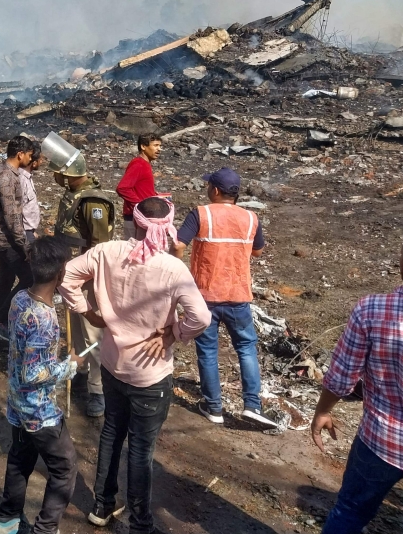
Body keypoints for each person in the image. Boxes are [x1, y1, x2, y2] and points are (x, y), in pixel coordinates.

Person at [59, 196, 210, 533]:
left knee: (112, 433)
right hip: (150, 374)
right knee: (141, 448)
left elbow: (67, 275)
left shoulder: (107, 252)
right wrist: (174, 333)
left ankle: (102, 504)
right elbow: (201, 317)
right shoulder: (173, 268)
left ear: (136, 223)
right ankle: (140, 521)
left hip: (113, 363)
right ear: (167, 227)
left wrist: (87, 311)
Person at [310, 227, 403, 534]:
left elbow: (342, 376)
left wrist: (323, 412)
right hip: (383, 439)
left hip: (382, 440)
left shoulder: (371, 309)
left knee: (350, 513)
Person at [0, 237, 80, 534]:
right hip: (38, 412)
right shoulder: (43, 317)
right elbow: (33, 372)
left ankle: (6, 522)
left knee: (20, 461)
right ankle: (45, 529)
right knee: (64, 468)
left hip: (16, 403)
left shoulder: (21, 299)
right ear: (61, 273)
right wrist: (69, 367)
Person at [173, 167, 274, 428]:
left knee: (207, 352)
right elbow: (258, 252)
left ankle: (213, 406)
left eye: (209, 186)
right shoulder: (251, 218)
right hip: (238, 295)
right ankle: (252, 405)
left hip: (205, 296)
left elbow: (178, 244)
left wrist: (177, 273)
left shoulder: (201, 213)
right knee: (246, 348)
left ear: (215, 190)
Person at [52, 160, 116, 418]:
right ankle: (80, 371)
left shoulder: (93, 202)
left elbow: (99, 246)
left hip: (88, 277)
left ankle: (97, 389)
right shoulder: (75, 196)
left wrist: (85, 273)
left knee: (93, 334)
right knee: (76, 328)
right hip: (71, 273)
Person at [0, 136, 35, 342]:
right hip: (7, 239)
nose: (31, 160)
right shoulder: (7, 177)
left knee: (6, 273)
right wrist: (24, 246)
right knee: (29, 278)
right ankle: (0, 320)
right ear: (20, 154)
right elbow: (11, 216)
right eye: (30, 156)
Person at [116, 133, 161, 239]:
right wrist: (140, 205)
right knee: (134, 252)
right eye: (155, 145)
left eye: (160, 146)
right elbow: (122, 188)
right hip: (135, 218)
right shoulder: (139, 164)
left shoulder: (145, 164)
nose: (159, 149)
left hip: (142, 217)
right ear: (143, 146)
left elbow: (141, 189)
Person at [18, 143, 42, 245]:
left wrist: (32, 231)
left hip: (29, 231)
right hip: (24, 232)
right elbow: (18, 208)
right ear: (34, 163)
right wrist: (26, 232)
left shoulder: (28, 177)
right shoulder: (21, 180)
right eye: (41, 159)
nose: (42, 162)